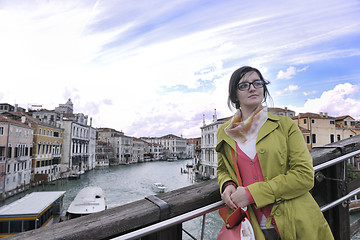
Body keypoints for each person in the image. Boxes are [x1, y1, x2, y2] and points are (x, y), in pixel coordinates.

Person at [216, 66, 334, 239]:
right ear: (234, 94)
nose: (252, 87)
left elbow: (304, 176)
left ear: (264, 89)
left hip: (296, 220)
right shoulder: (225, 132)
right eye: (244, 85)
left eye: (257, 83)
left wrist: (251, 194)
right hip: (250, 226)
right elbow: (223, 169)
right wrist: (227, 185)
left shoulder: (285, 126)